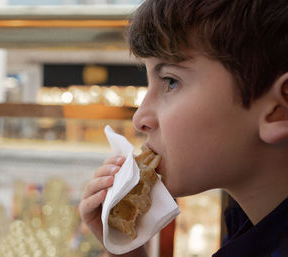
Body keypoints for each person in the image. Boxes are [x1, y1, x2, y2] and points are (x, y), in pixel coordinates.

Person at [79, 0, 288, 256]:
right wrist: (125, 249)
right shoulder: (248, 227)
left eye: (170, 81)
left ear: (280, 109)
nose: (140, 118)